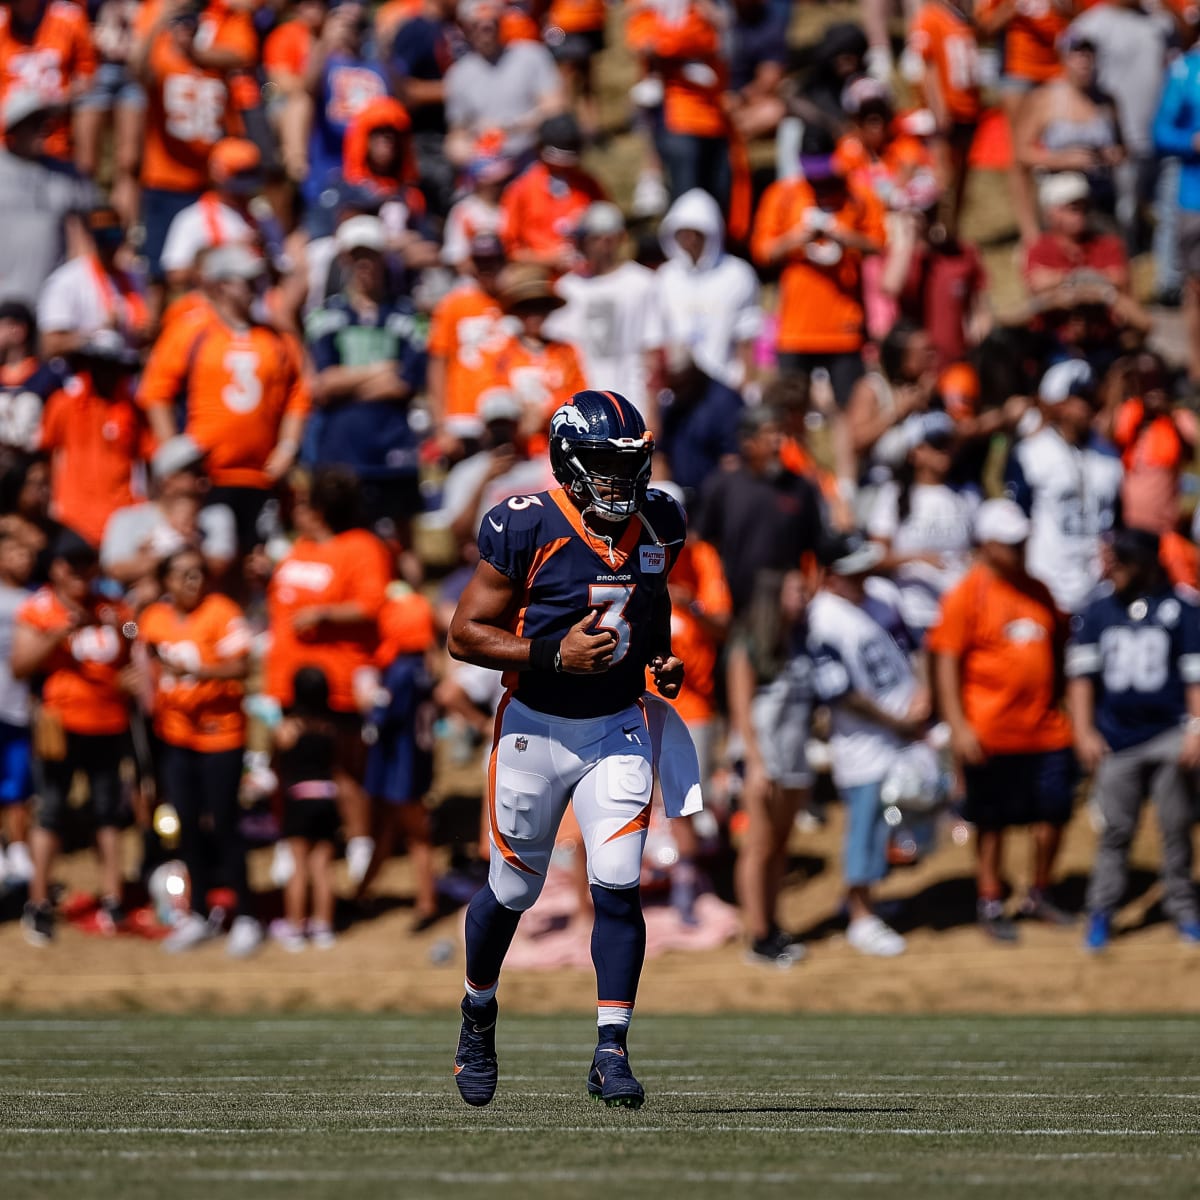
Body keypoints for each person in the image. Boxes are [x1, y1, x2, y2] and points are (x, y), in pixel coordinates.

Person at [446, 388, 687, 1110]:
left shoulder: (660, 520)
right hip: (536, 724)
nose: (623, 482)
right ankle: (477, 1013)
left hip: (616, 723)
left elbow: (653, 597)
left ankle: (611, 1050)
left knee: (617, 882)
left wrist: (660, 656)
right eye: (605, 466)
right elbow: (463, 635)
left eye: (631, 465)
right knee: (513, 890)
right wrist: (551, 655)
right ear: (568, 463)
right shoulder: (525, 524)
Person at [927, 498, 1078, 941]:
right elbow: (946, 660)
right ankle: (990, 898)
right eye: (1011, 543)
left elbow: (1060, 646)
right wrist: (958, 725)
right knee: (991, 823)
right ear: (989, 545)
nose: (1020, 550)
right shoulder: (967, 594)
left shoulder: (1038, 590)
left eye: (1023, 542)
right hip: (991, 731)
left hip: (1046, 730)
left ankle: (1040, 892)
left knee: (1052, 814)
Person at [1068, 527, 1200, 952]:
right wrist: (1084, 730)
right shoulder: (1097, 611)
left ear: (1142, 562)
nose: (1112, 569)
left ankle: (1183, 909)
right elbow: (1081, 678)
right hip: (1115, 739)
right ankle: (1101, 912)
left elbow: (1195, 676)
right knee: (1114, 832)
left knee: (1175, 828)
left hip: (1168, 734)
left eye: (1120, 561)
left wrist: (1196, 728)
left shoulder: (1182, 609)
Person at [138, 244, 310, 554]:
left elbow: (298, 394)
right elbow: (155, 391)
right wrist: (174, 455)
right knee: (211, 556)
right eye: (246, 281)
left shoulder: (275, 338)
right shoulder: (191, 330)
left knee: (256, 558)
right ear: (221, 285)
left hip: (260, 474)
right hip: (207, 476)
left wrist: (287, 446)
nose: (255, 289)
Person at [265, 466, 391, 887]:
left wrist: (323, 613)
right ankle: (291, 841)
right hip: (289, 677)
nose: (296, 513)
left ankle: (358, 843)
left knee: (343, 767)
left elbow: (371, 605)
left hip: (337, 678)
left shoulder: (361, 547)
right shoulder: (296, 548)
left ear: (318, 511)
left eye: (302, 505)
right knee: (287, 761)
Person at [807, 532, 926, 958]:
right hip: (862, 744)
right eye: (854, 571)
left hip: (904, 736)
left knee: (901, 826)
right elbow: (839, 692)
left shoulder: (879, 595)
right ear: (832, 576)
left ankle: (866, 900)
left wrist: (923, 695)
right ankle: (859, 916)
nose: (864, 576)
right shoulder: (821, 619)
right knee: (865, 831)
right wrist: (898, 722)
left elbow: (914, 647)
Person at [14, 530, 133, 946]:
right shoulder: (40, 608)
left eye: (88, 565)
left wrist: (121, 624)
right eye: (73, 566)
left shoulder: (108, 606)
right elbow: (19, 665)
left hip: (107, 723)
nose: (82, 574)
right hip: (60, 727)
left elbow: (136, 633)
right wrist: (60, 633)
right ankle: (38, 901)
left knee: (107, 813)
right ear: (58, 568)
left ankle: (113, 897)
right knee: (52, 812)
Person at [139, 546, 260, 957]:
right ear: (166, 580)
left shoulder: (222, 611)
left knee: (225, 824)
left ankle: (245, 914)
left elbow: (243, 667)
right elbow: (143, 661)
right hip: (175, 736)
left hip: (221, 736)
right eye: (183, 574)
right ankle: (196, 910)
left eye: (197, 573)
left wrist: (198, 672)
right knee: (186, 825)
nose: (192, 581)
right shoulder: (155, 617)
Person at [305, 214, 428, 534]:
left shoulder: (406, 315)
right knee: (340, 533)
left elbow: (404, 384)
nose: (364, 264)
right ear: (345, 260)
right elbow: (323, 384)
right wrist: (378, 370)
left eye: (370, 255)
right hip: (340, 446)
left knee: (403, 537)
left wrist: (347, 384)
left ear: (382, 258)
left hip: (393, 442)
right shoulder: (326, 315)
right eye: (356, 256)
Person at [728, 567, 813, 964]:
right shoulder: (747, 645)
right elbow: (741, 712)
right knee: (759, 847)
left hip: (794, 756)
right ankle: (758, 935)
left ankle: (773, 925)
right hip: (764, 760)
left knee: (780, 847)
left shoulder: (796, 640)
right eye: (796, 589)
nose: (803, 595)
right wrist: (756, 764)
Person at [1004, 359, 1124, 615]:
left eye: (1091, 397)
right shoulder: (1030, 454)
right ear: (1057, 404)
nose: (1088, 406)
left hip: (1099, 589)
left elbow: (1118, 520)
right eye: (1079, 397)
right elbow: (1015, 522)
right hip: (1047, 585)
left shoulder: (1109, 456)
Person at [694, 406, 824, 618]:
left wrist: (807, 591)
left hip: (784, 610)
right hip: (731, 608)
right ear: (748, 441)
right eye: (770, 432)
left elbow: (816, 549)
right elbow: (701, 542)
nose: (779, 440)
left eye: (781, 432)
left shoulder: (801, 488)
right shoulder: (723, 485)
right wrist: (715, 594)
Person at [547, 202, 665, 425]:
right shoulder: (568, 288)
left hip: (630, 405)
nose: (581, 246)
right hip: (580, 408)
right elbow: (557, 354)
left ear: (611, 239)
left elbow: (652, 353)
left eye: (588, 238)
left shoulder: (642, 283)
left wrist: (653, 410)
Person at [867, 411, 979, 637]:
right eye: (937, 444)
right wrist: (920, 557)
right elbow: (876, 556)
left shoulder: (968, 495)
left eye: (949, 443)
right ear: (915, 452)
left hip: (960, 614)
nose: (945, 450)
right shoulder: (894, 495)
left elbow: (979, 551)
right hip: (913, 616)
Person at [39, 331, 149, 548]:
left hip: (120, 522)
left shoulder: (133, 411)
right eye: (99, 364)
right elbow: (45, 456)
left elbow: (147, 461)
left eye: (111, 366)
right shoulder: (62, 404)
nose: (105, 373)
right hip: (71, 519)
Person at [655, 187, 762, 395]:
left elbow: (747, 334)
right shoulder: (665, 277)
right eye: (683, 234)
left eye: (697, 234)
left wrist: (746, 382)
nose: (690, 241)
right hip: (677, 389)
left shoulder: (738, 274)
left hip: (724, 382)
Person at [100, 435, 237, 596]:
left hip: (201, 617)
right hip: (142, 616)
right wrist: (174, 551)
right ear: (167, 480)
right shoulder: (126, 518)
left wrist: (151, 560)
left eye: (204, 471)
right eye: (193, 472)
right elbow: (115, 569)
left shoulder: (217, 516)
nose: (203, 478)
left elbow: (218, 565)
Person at [0, 90, 98, 305]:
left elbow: (95, 226)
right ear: (14, 129)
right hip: (5, 305)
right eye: (34, 123)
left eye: (45, 122)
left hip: (54, 303)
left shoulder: (68, 174)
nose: (43, 130)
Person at [1014, 33, 1123, 218]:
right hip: (1061, 194)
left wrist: (1110, 155)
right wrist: (1062, 160)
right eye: (1077, 55)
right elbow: (1021, 152)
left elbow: (1123, 148)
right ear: (1063, 58)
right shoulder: (1045, 99)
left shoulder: (1107, 101)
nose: (1084, 62)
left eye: (1088, 55)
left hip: (1101, 193)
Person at [443, 0, 563, 168]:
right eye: (477, 24)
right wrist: (464, 151)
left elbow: (555, 107)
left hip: (532, 157)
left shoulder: (532, 55)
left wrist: (511, 126)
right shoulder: (458, 74)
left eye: (492, 22)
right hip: (486, 166)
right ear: (463, 27)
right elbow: (457, 132)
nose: (486, 29)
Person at [272, 665, 341, 951]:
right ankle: (323, 926)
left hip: (299, 800)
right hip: (327, 798)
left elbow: (275, 767)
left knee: (298, 866)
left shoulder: (287, 730)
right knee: (322, 867)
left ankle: (295, 926)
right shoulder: (330, 729)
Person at [426, 232, 510, 445]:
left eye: (492, 261)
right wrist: (440, 426)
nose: (487, 268)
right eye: (480, 262)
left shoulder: (514, 302)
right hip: (464, 419)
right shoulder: (453, 304)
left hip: (508, 416)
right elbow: (437, 364)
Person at [497, 112, 606, 274]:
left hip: (585, 276)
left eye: (568, 162)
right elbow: (509, 250)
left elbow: (609, 231)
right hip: (539, 279)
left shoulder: (588, 184)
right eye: (556, 162)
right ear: (540, 151)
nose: (562, 168)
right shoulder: (521, 189)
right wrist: (548, 259)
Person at [37, 205, 149, 357]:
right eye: (101, 237)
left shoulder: (135, 277)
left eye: (114, 235)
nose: (109, 245)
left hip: (127, 374)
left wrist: (142, 331)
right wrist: (97, 336)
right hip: (83, 375)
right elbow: (50, 344)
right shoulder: (66, 280)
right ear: (89, 237)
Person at [159, 138, 263, 293]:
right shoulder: (191, 218)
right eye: (238, 176)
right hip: (213, 306)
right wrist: (228, 253)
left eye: (249, 175)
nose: (243, 188)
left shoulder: (261, 214)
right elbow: (175, 275)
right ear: (217, 174)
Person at [0, 526, 34, 886]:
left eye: (27, 554)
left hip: (19, 704)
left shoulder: (36, 599)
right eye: (14, 552)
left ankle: (19, 849)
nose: (23, 560)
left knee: (18, 782)